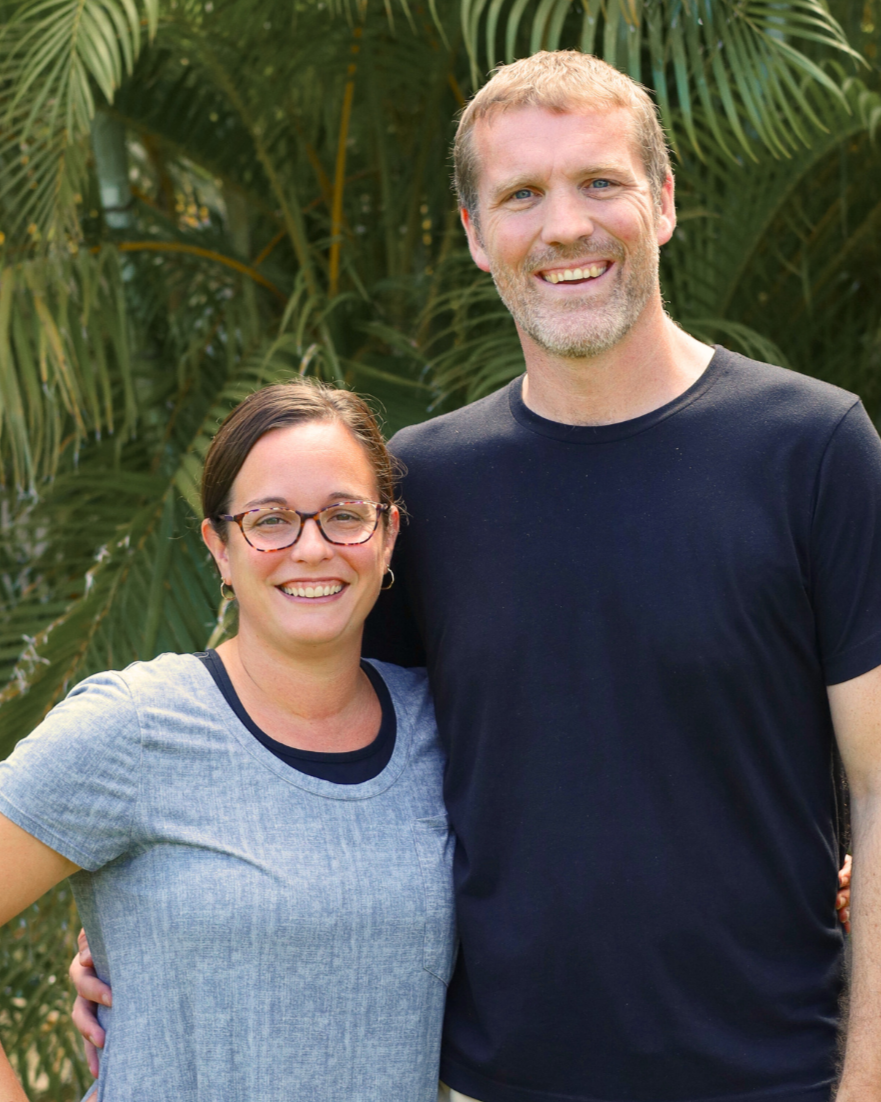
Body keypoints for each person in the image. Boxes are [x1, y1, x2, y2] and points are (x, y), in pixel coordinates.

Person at [72, 50, 878, 1102]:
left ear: (662, 202)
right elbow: (328, 753)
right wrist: (150, 918)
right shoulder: (430, 489)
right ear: (473, 235)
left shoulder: (813, 448)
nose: (563, 227)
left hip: (775, 1079)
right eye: (520, 196)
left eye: (598, 182)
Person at [0, 381, 455, 1101]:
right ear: (218, 546)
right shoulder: (134, 727)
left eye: (344, 515)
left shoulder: (444, 731)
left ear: (389, 531)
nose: (311, 547)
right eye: (269, 520)